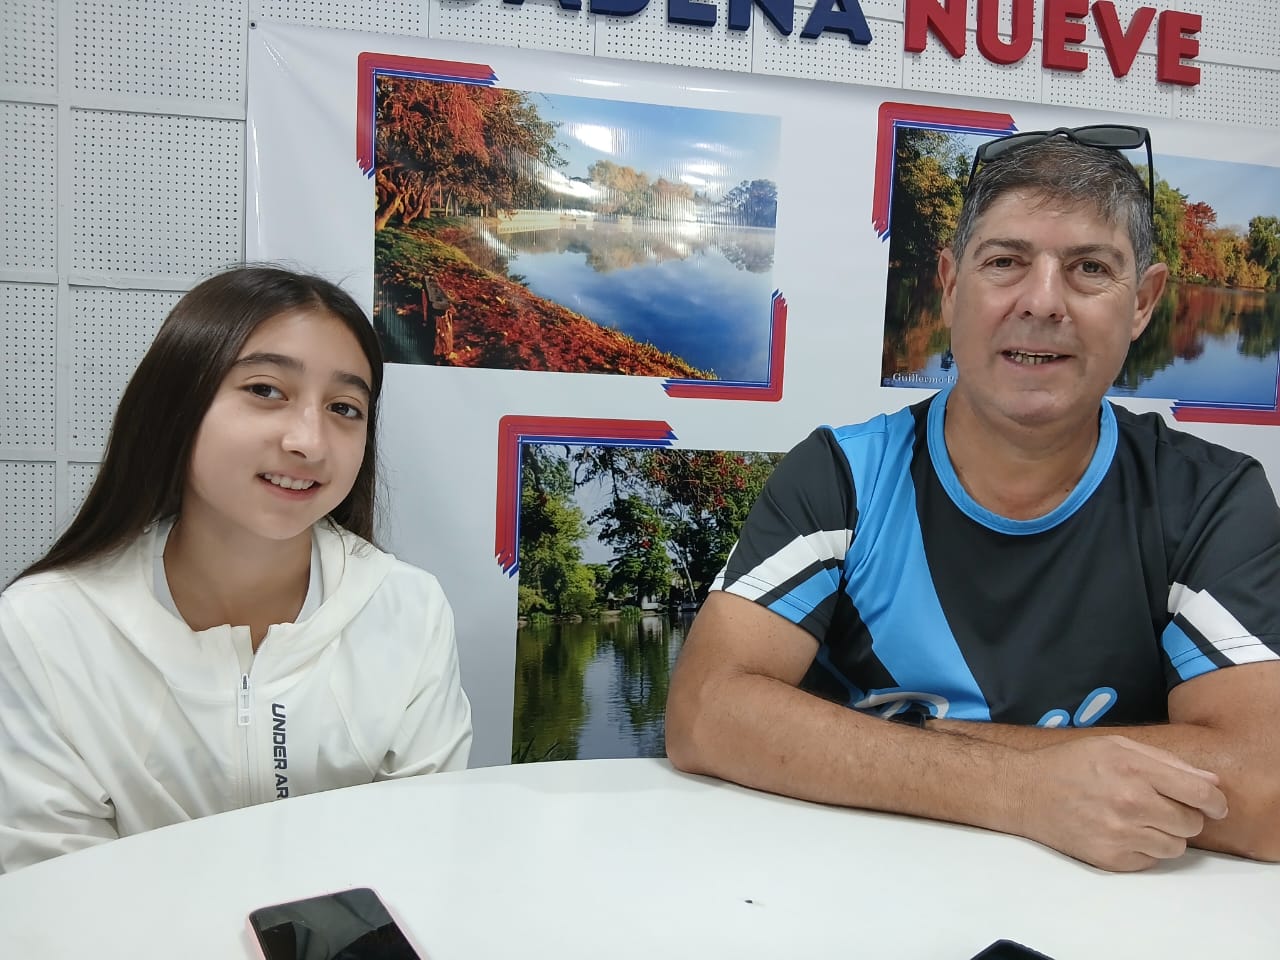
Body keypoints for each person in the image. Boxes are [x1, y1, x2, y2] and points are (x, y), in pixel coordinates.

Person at [665, 126, 1280, 872]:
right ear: (952, 284)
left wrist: (879, 743)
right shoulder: (845, 477)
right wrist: (1023, 788)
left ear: (1144, 302)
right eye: (1005, 262)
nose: (1042, 302)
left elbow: (1263, 786)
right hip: (856, 893)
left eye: (1089, 268)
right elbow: (705, 710)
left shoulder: (1210, 498)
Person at [0, 266, 473, 873]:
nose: (309, 442)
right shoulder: (47, 626)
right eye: (266, 390)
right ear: (178, 404)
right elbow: (55, 887)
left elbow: (417, 852)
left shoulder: (408, 609)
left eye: (344, 407)